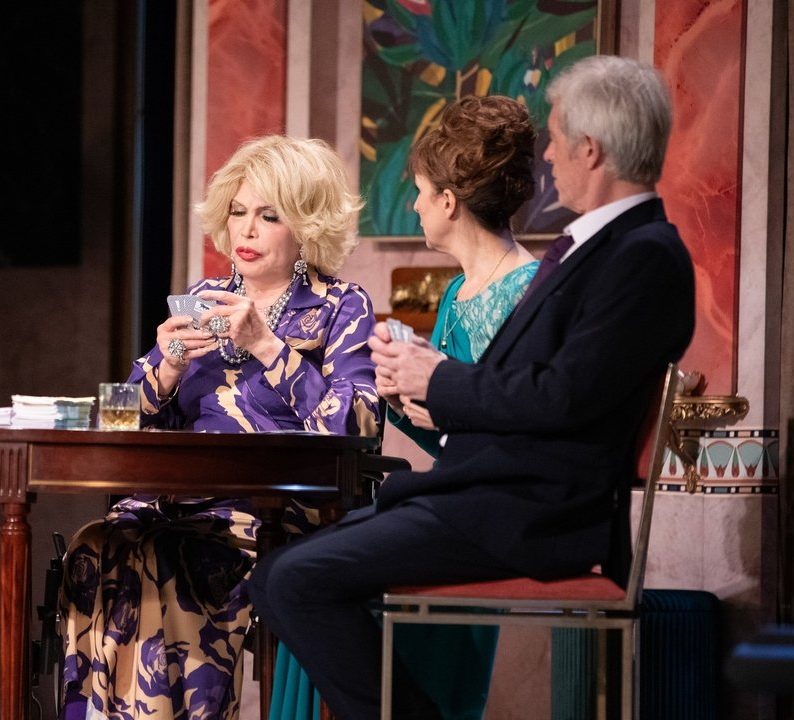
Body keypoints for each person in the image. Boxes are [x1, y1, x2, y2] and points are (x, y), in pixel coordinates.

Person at [250, 54, 696, 720]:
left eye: (556, 139)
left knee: (293, 581)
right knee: (276, 575)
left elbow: (563, 397)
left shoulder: (644, 255)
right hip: (489, 495)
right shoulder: (596, 248)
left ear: (592, 149)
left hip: (528, 512)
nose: (547, 157)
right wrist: (426, 378)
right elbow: (534, 386)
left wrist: (439, 379)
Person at [59, 135, 381, 720]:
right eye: (238, 212)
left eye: (269, 215)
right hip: (172, 501)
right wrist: (165, 366)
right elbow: (118, 418)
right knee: (95, 547)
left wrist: (267, 346)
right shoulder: (202, 299)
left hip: (270, 513)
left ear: (306, 225)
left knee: (170, 558)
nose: (246, 230)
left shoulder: (339, 306)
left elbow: (357, 423)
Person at [268, 94, 540, 720]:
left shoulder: (526, 292)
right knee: (303, 572)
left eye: (418, 192)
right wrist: (393, 394)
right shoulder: (456, 292)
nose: (413, 205)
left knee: (311, 579)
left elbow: (511, 425)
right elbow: (441, 434)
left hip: (480, 510)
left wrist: (438, 402)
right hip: (445, 492)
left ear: (448, 201)